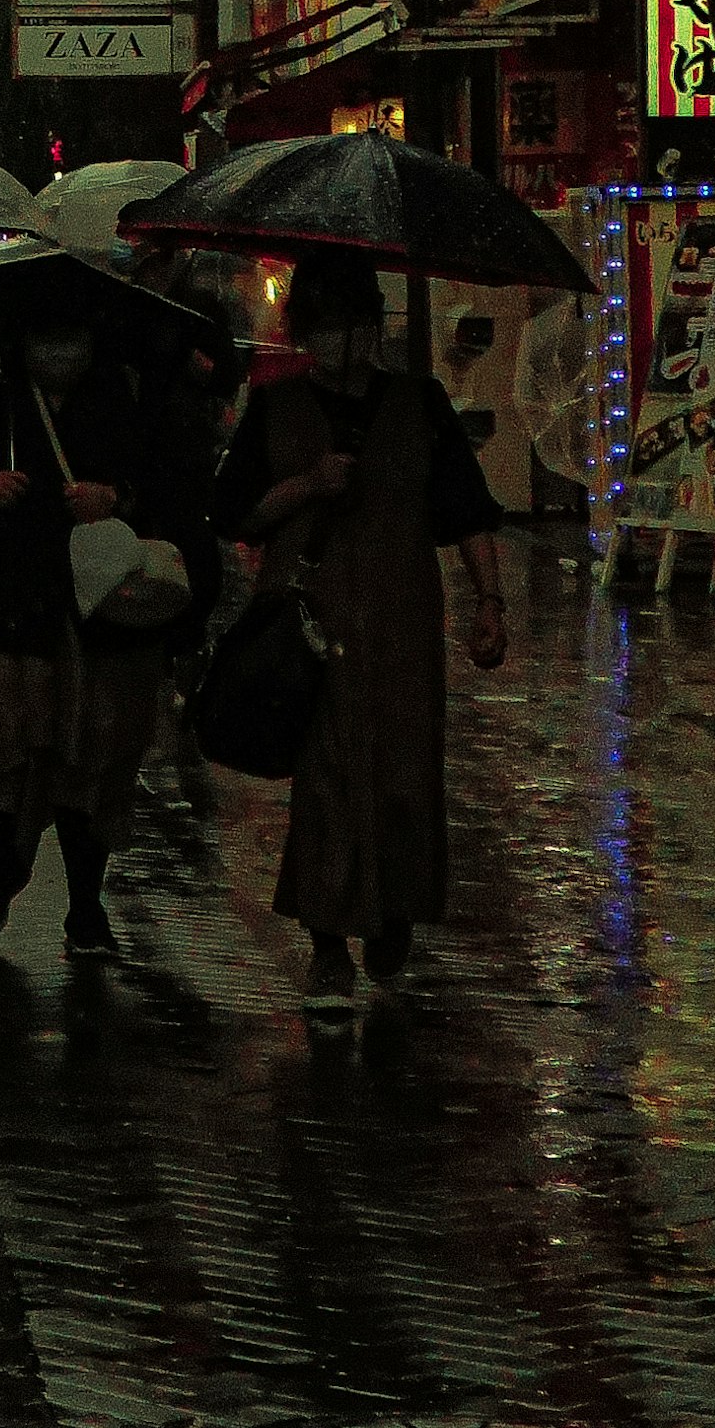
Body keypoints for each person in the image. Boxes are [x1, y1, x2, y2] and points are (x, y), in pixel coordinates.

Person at [210, 250, 506, 1011]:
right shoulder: (276, 409)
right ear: (307, 331)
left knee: (408, 767)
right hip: (311, 617)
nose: (352, 341)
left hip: (403, 613)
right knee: (331, 777)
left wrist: (489, 602)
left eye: (363, 324)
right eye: (334, 325)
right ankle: (328, 945)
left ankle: (395, 906)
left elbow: (465, 510)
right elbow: (235, 512)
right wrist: (308, 486)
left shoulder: (419, 402)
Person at [0, 264, 212, 964]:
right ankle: (4, 865)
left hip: (100, 609)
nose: (62, 353)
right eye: (47, 338)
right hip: (4, 603)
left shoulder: (124, 396)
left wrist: (115, 499)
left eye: (73, 338)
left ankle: (86, 904)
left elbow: (169, 484)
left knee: (95, 757)